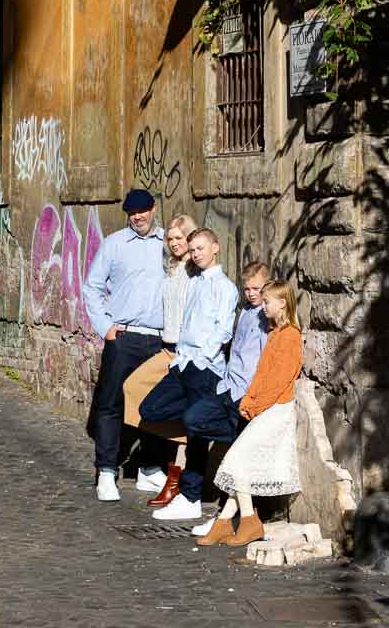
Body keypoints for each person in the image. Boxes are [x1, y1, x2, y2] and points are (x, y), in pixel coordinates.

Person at [138, 227, 238, 521]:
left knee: (196, 435)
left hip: (205, 366)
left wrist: (203, 355)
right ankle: (207, 419)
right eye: (192, 249)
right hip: (183, 363)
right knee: (150, 409)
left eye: (200, 248)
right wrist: (182, 356)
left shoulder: (225, 287)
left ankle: (190, 496)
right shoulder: (193, 281)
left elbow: (223, 329)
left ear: (215, 248)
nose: (195, 254)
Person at [82, 188, 167, 502]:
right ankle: (106, 470)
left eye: (143, 210)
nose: (138, 217)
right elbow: (91, 287)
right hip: (124, 336)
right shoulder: (115, 244)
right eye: (133, 212)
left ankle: (149, 468)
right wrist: (106, 328)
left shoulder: (168, 245)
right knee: (111, 403)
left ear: (153, 209)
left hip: (158, 338)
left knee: (156, 405)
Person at [205, 278, 303, 547]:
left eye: (268, 301)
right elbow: (261, 374)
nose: (263, 307)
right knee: (241, 463)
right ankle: (226, 523)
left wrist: (253, 404)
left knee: (237, 459)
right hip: (265, 408)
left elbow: (278, 381)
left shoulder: (291, 336)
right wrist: (249, 399)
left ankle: (248, 521)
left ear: (282, 303)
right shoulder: (275, 334)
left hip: (276, 410)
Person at [184, 260, 270, 540]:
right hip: (228, 389)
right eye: (246, 288)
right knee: (193, 420)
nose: (251, 293)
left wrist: (254, 398)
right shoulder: (245, 310)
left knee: (237, 460)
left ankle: (232, 517)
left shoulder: (267, 317)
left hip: (246, 395)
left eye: (256, 288)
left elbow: (265, 363)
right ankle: (234, 516)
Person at [122, 215, 197, 507]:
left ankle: (172, 474)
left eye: (181, 238)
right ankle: (156, 464)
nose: (175, 243)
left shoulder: (195, 271)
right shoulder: (171, 268)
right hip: (167, 348)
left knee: (180, 409)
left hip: (186, 351)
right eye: (171, 238)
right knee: (132, 388)